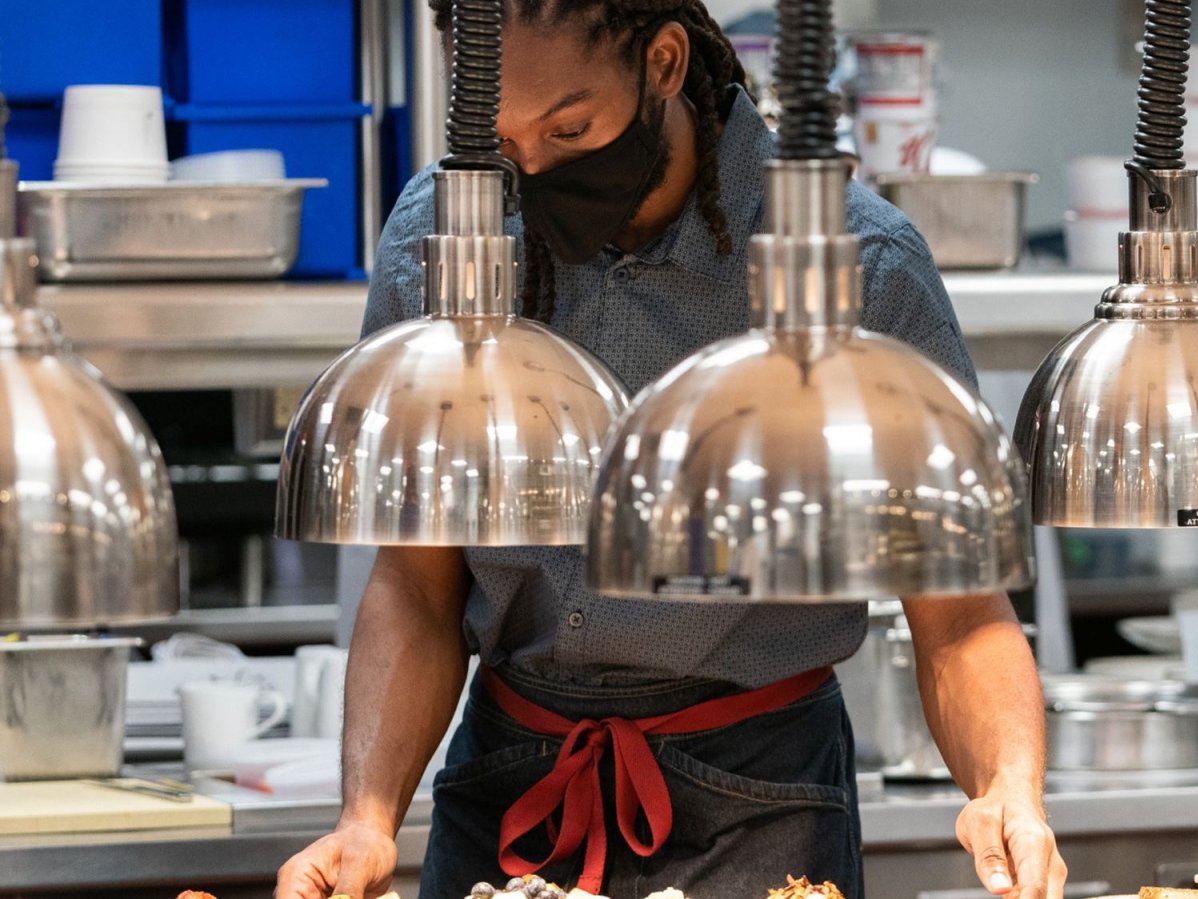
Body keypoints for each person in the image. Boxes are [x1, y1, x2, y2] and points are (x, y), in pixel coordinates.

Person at [275, 2, 1066, 899]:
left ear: (662, 61)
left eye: (570, 129)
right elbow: (419, 585)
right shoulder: (447, 246)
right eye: (501, 141)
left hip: (757, 799)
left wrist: (1008, 787)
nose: (533, 170)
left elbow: (959, 616)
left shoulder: (865, 268)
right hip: (512, 786)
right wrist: (367, 817)